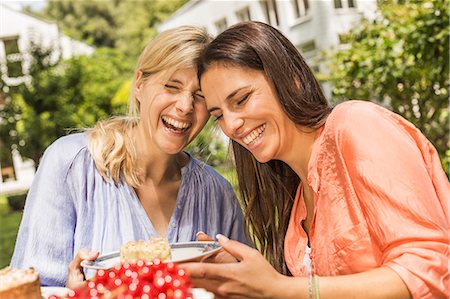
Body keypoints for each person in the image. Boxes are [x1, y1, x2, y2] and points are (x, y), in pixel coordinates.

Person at [183, 21, 449, 299]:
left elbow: (431, 269)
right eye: (219, 115)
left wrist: (282, 288)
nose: (232, 125)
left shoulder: (356, 125)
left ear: (291, 79)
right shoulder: (295, 198)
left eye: (241, 99)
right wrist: (245, 283)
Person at [10, 25, 249, 288]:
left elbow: (248, 288)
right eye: (171, 86)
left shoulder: (218, 195)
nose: (185, 106)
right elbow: (28, 289)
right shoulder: (71, 164)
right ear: (139, 85)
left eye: (200, 96)